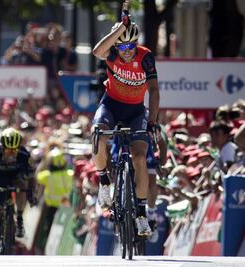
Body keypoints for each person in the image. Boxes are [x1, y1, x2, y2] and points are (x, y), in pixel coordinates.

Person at [91, 6, 160, 237]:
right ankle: (103, 181)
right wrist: (120, 29)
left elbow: (154, 90)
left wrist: (152, 121)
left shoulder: (145, 56)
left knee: (140, 157)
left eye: (131, 46)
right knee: (98, 134)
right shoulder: (110, 53)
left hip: (136, 111)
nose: (128, 51)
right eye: (123, 46)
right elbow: (96, 51)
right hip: (111, 105)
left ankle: (141, 214)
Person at [0, 127, 36, 255]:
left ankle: (19, 217)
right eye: (8, 150)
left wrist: (31, 193)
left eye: (15, 150)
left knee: (22, 185)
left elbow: (31, 177)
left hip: (15, 177)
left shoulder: (24, 155)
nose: (12, 154)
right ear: (2, 148)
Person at [36, 148, 73, 251]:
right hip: (65, 208)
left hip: (50, 207)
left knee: (47, 229)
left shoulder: (47, 175)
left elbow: (37, 175)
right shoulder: (69, 174)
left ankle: (42, 247)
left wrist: (44, 161)